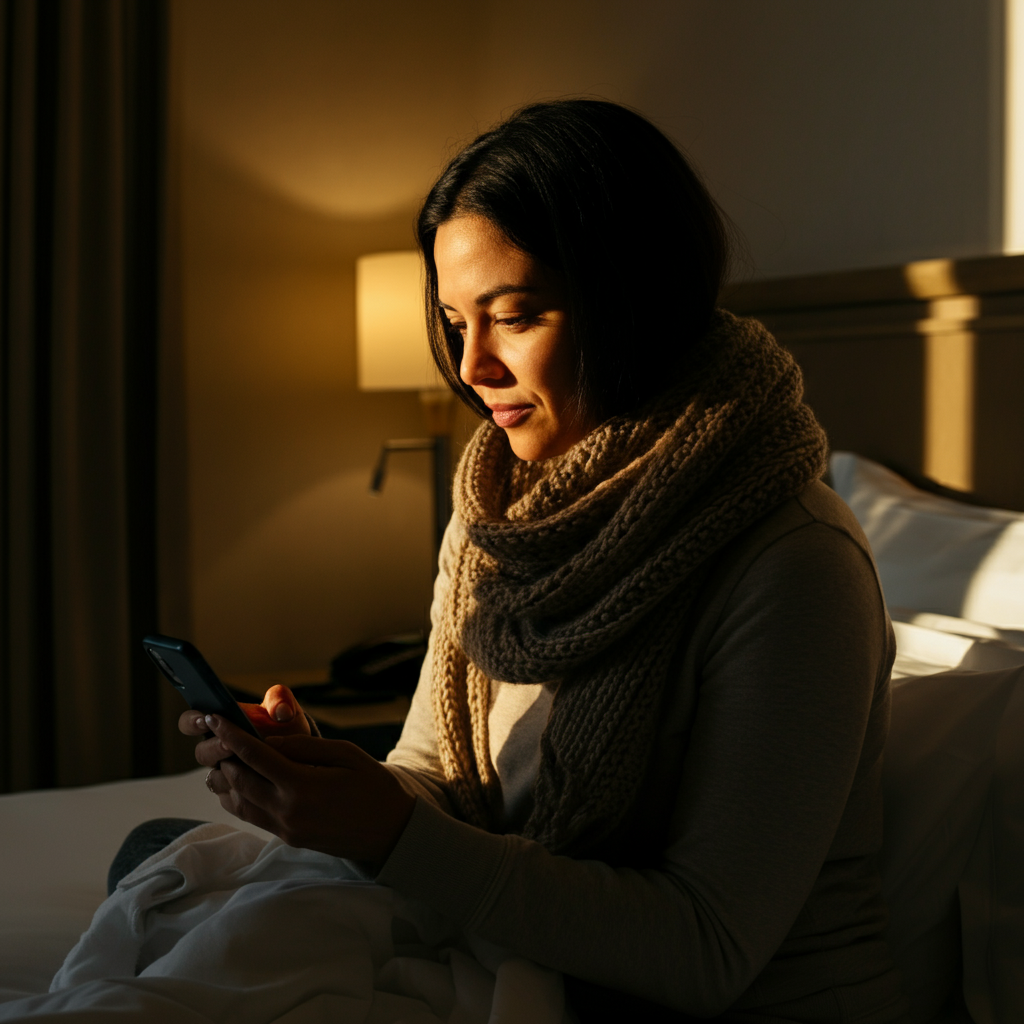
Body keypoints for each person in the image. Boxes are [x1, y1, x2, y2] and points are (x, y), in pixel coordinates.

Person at [169, 100, 908, 1022]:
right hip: (524, 964)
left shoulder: (795, 563)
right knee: (178, 884)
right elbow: (434, 775)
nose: (473, 365)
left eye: (514, 316)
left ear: (633, 304)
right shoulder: (495, 517)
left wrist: (392, 836)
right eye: (451, 320)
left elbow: (709, 947)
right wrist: (324, 783)